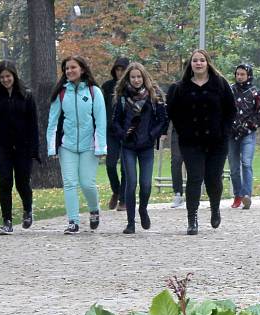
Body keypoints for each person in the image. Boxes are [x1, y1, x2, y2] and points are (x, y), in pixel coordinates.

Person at [167, 49, 236, 235]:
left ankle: (215, 208)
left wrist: (225, 131)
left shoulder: (220, 84)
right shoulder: (180, 87)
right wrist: (182, 130)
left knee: (213, 178)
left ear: (208, 63)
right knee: (194, 178)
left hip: (217, 141)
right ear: (190, 64)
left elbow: (231, 110)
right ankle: (192, 218)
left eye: (202, 60)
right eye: (195, 61)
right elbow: (172, 112)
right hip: (191, 141)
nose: (198, 63)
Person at [47, 55, 107, 235]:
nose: (69, 71)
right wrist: (52, 147)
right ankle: (73, 221)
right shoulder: (61, 93)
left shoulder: (93, 91)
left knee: (87, 183)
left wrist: (101, 147)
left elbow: (101, 121)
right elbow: (52, 122)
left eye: (73, 67)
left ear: (82, 69)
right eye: (66, 69)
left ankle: (94, 209)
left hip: (89, 146)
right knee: (70, 183)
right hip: (67, 146)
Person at [111, 62, 168, 234]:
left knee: (146, 183)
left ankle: (143, 208)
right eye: (133, 77)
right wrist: (123, 134)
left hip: (146, 145)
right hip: (128, 146)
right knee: (131, 182)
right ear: (128, 78)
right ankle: (130, 222)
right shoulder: (122, 96)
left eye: (139, 77)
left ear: (144, 77)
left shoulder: (153, 96)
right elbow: (115, 121)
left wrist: (152, 134)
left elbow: (163, 120)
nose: (136, 80)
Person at [0, 60, 40, 235]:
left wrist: (34, 150)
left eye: (8, 76)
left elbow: (33, 125)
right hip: (3, 146)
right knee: (5, 181)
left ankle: (28, 209)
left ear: (14, 76)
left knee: (22, 182)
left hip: (23, 146)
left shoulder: (27, 96)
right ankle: (7, 220)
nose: (5, 80)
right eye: (2, 77)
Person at [228, 63, 260, 210]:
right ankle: (237, 194)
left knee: (246, 163)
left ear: (248, 75)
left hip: (248, 134)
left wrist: (249, 126)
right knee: (233, 167)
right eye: (237, 74)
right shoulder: (229, 91)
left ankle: (246, 195)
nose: (239, 77)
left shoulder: (256, 93)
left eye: (242, 74)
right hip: (231, 135)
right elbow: (221, 110)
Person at [101, 57, 129, 211]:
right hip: (111, 131)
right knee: (110, 165)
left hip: (128, 132)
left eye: (123, 69)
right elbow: (100, 107)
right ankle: (116, 191)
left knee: (126, 167)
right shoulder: (107, 86)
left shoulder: (133, 86)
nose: (120, 73)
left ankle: (123, 199)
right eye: (117, 69)